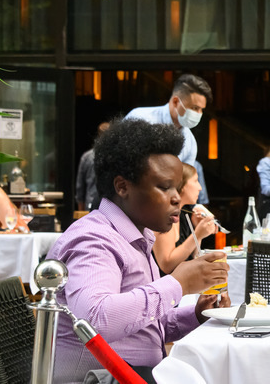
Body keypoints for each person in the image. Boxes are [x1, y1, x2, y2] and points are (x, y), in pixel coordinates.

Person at [46, 118, 230, 384]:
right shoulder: (94, 239)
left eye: (177, 188)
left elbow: (148, 327)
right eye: (164, 187)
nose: (177, 198)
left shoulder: (138, 236)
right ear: (123, 187)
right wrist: (178, 283)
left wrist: (197, 313)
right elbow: (95, 320)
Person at [125, 73, 212, 166]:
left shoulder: (190, 142)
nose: (199, 113)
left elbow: (185, 178)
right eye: (195, 108)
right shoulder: (140, 117)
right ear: (175, 102)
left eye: (201, 109)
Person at [153, 163, 217, 274]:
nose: (200, 188)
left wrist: (197, 230)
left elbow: (193, 257)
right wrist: (197, 235)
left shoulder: (183, 213)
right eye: (196, 181)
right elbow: (166, 265)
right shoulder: (163, 215)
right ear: (181, 185)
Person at [75, 121, 110, 210]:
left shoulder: (87, 157)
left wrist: (81, 212)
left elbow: (80, 188)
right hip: (110, 204)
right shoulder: (116, 156)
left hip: (90, 203)